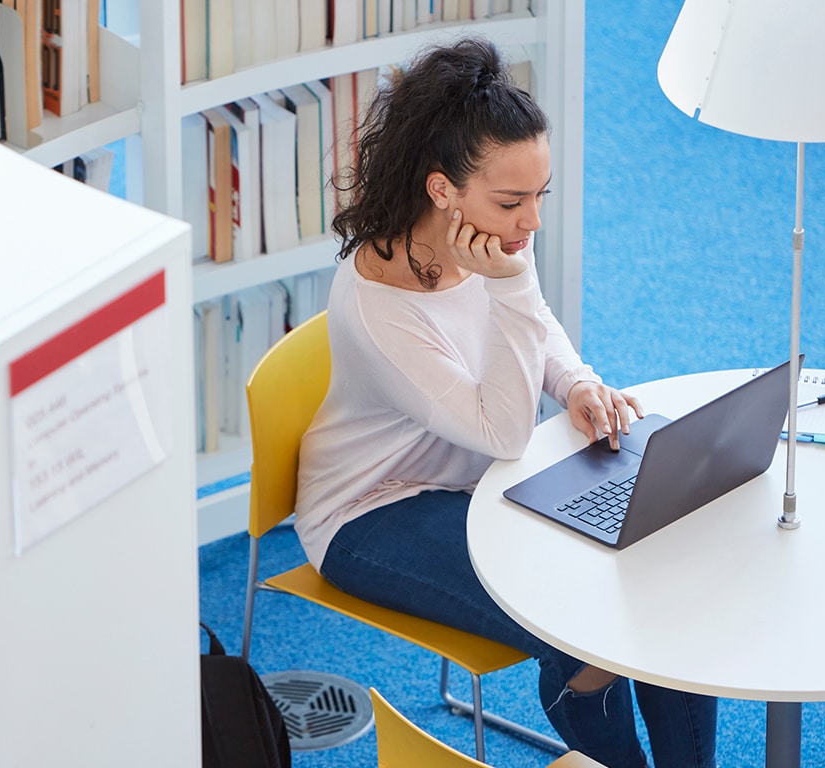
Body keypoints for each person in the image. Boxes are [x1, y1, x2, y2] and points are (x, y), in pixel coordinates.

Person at [294, 37, 716, 768]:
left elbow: (533, 334)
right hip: (371, 511)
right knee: (575, 629)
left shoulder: (482, 247)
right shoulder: (381, 309)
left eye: (538, 198)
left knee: (649, 575)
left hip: (474, 484)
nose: (531, 224)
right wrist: (514, 286)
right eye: (512, 202)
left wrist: (576, 381)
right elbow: (506, 430)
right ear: (441, 190)